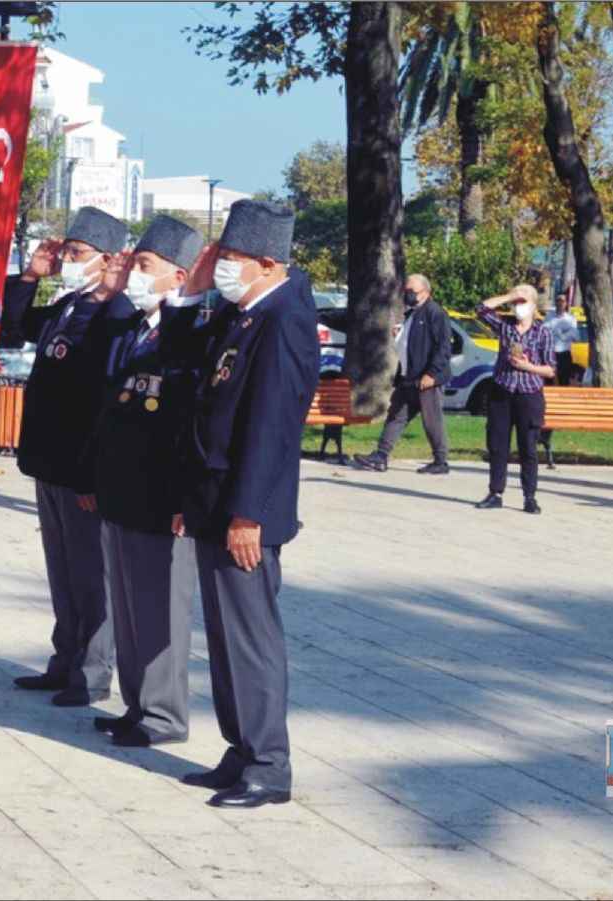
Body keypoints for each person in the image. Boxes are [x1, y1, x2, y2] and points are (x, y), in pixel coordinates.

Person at [176, 199, 317, 809]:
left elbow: (271, 427)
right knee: (227, 638)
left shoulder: (284, 318)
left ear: (266, 262)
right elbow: (185, 367)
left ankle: (269, 764)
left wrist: (248, 513)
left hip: (245, 510)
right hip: (214, 499)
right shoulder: (243, 312)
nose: (219, 266)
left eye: (228, 258)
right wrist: (192, 291)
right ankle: (240, 748)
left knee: (251, 638)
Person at [81, 215, 206, 748]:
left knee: (161, 611)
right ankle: (137, 705)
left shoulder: (192, 335)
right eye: (133, 262)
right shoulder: (134, 328)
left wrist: (186, 497)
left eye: (144, 265)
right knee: (129, 607)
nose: (132, 271)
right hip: (123, 490)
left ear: (178, 277)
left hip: (162, 497)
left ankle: (165, 715)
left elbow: (192, 423)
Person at [4, 207, 133, 708]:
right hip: (49, 461)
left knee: (89, 575)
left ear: (107, 261)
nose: (68, 261)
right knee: (62, 571)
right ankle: (65, 660)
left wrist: (114, 291)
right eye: (66, 253)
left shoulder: (116, 312)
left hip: (83, 468)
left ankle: (93, 673)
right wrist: (31, 276)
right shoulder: (69, 304)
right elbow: (15, 325)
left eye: (77, 254)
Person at [350, 274, 452, 474]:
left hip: (426, 379)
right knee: (396, 416)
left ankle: (441, 460)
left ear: (425, 292)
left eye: (412, 292)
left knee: (432, 419)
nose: (408, 295)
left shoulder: (434, 313)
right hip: (408, 377)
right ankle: (380, 456)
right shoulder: (412, 313)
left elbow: (442, 347)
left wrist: (431, 373)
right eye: (406, 291)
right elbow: (408, 343)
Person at [473, 285, 556, 514]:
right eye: (517, 302)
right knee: (498, 444)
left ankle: (529, 496)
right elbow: (480, 309)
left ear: (534, 306)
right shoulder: (506, 327)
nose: (519, 306)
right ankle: (495, 492)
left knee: (528, 446)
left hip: (529, 394)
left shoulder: (543, 332)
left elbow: (550, 369)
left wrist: (527, 366)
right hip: (503, 390)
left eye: (524, 301)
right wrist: (510, 296)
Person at [543, 291, 581, 386]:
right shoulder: (549, 317)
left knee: (564, 380)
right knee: (549, 380)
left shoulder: (571, 319)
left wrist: (560, 333)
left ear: (566, 303)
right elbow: (544, 331)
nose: (560, 303)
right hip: (551, 353)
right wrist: (561, 332)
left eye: (562, 300)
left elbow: (573, 334)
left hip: (564, 353)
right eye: (558, 300)